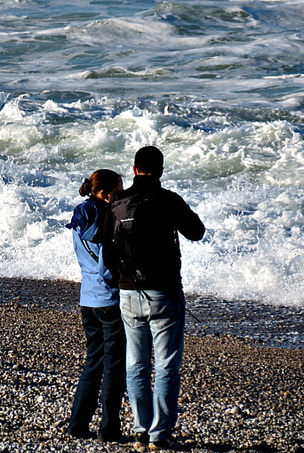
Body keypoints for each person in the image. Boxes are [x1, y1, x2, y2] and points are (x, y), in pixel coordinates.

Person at [99, 146, 205, 451]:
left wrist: (125, 278)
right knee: (167, 364)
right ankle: (160, 433)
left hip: (129, 292)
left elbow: (108, 253)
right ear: (160, 170)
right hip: (164, 291)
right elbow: (196, 231)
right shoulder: (168, 200)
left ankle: (141, 428)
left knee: (136, 363)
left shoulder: (117, 202)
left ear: (133, 170)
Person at [66, 169, 126, 443]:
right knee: (114, 367)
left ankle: (78, 424)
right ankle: (110, 428)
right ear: (104, 193)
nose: (122, 195)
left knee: (93, 363)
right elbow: (106, 267)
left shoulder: (81, 215)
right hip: (109, 300)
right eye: (119, 191)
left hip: (87, 298)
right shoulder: (105, 217)